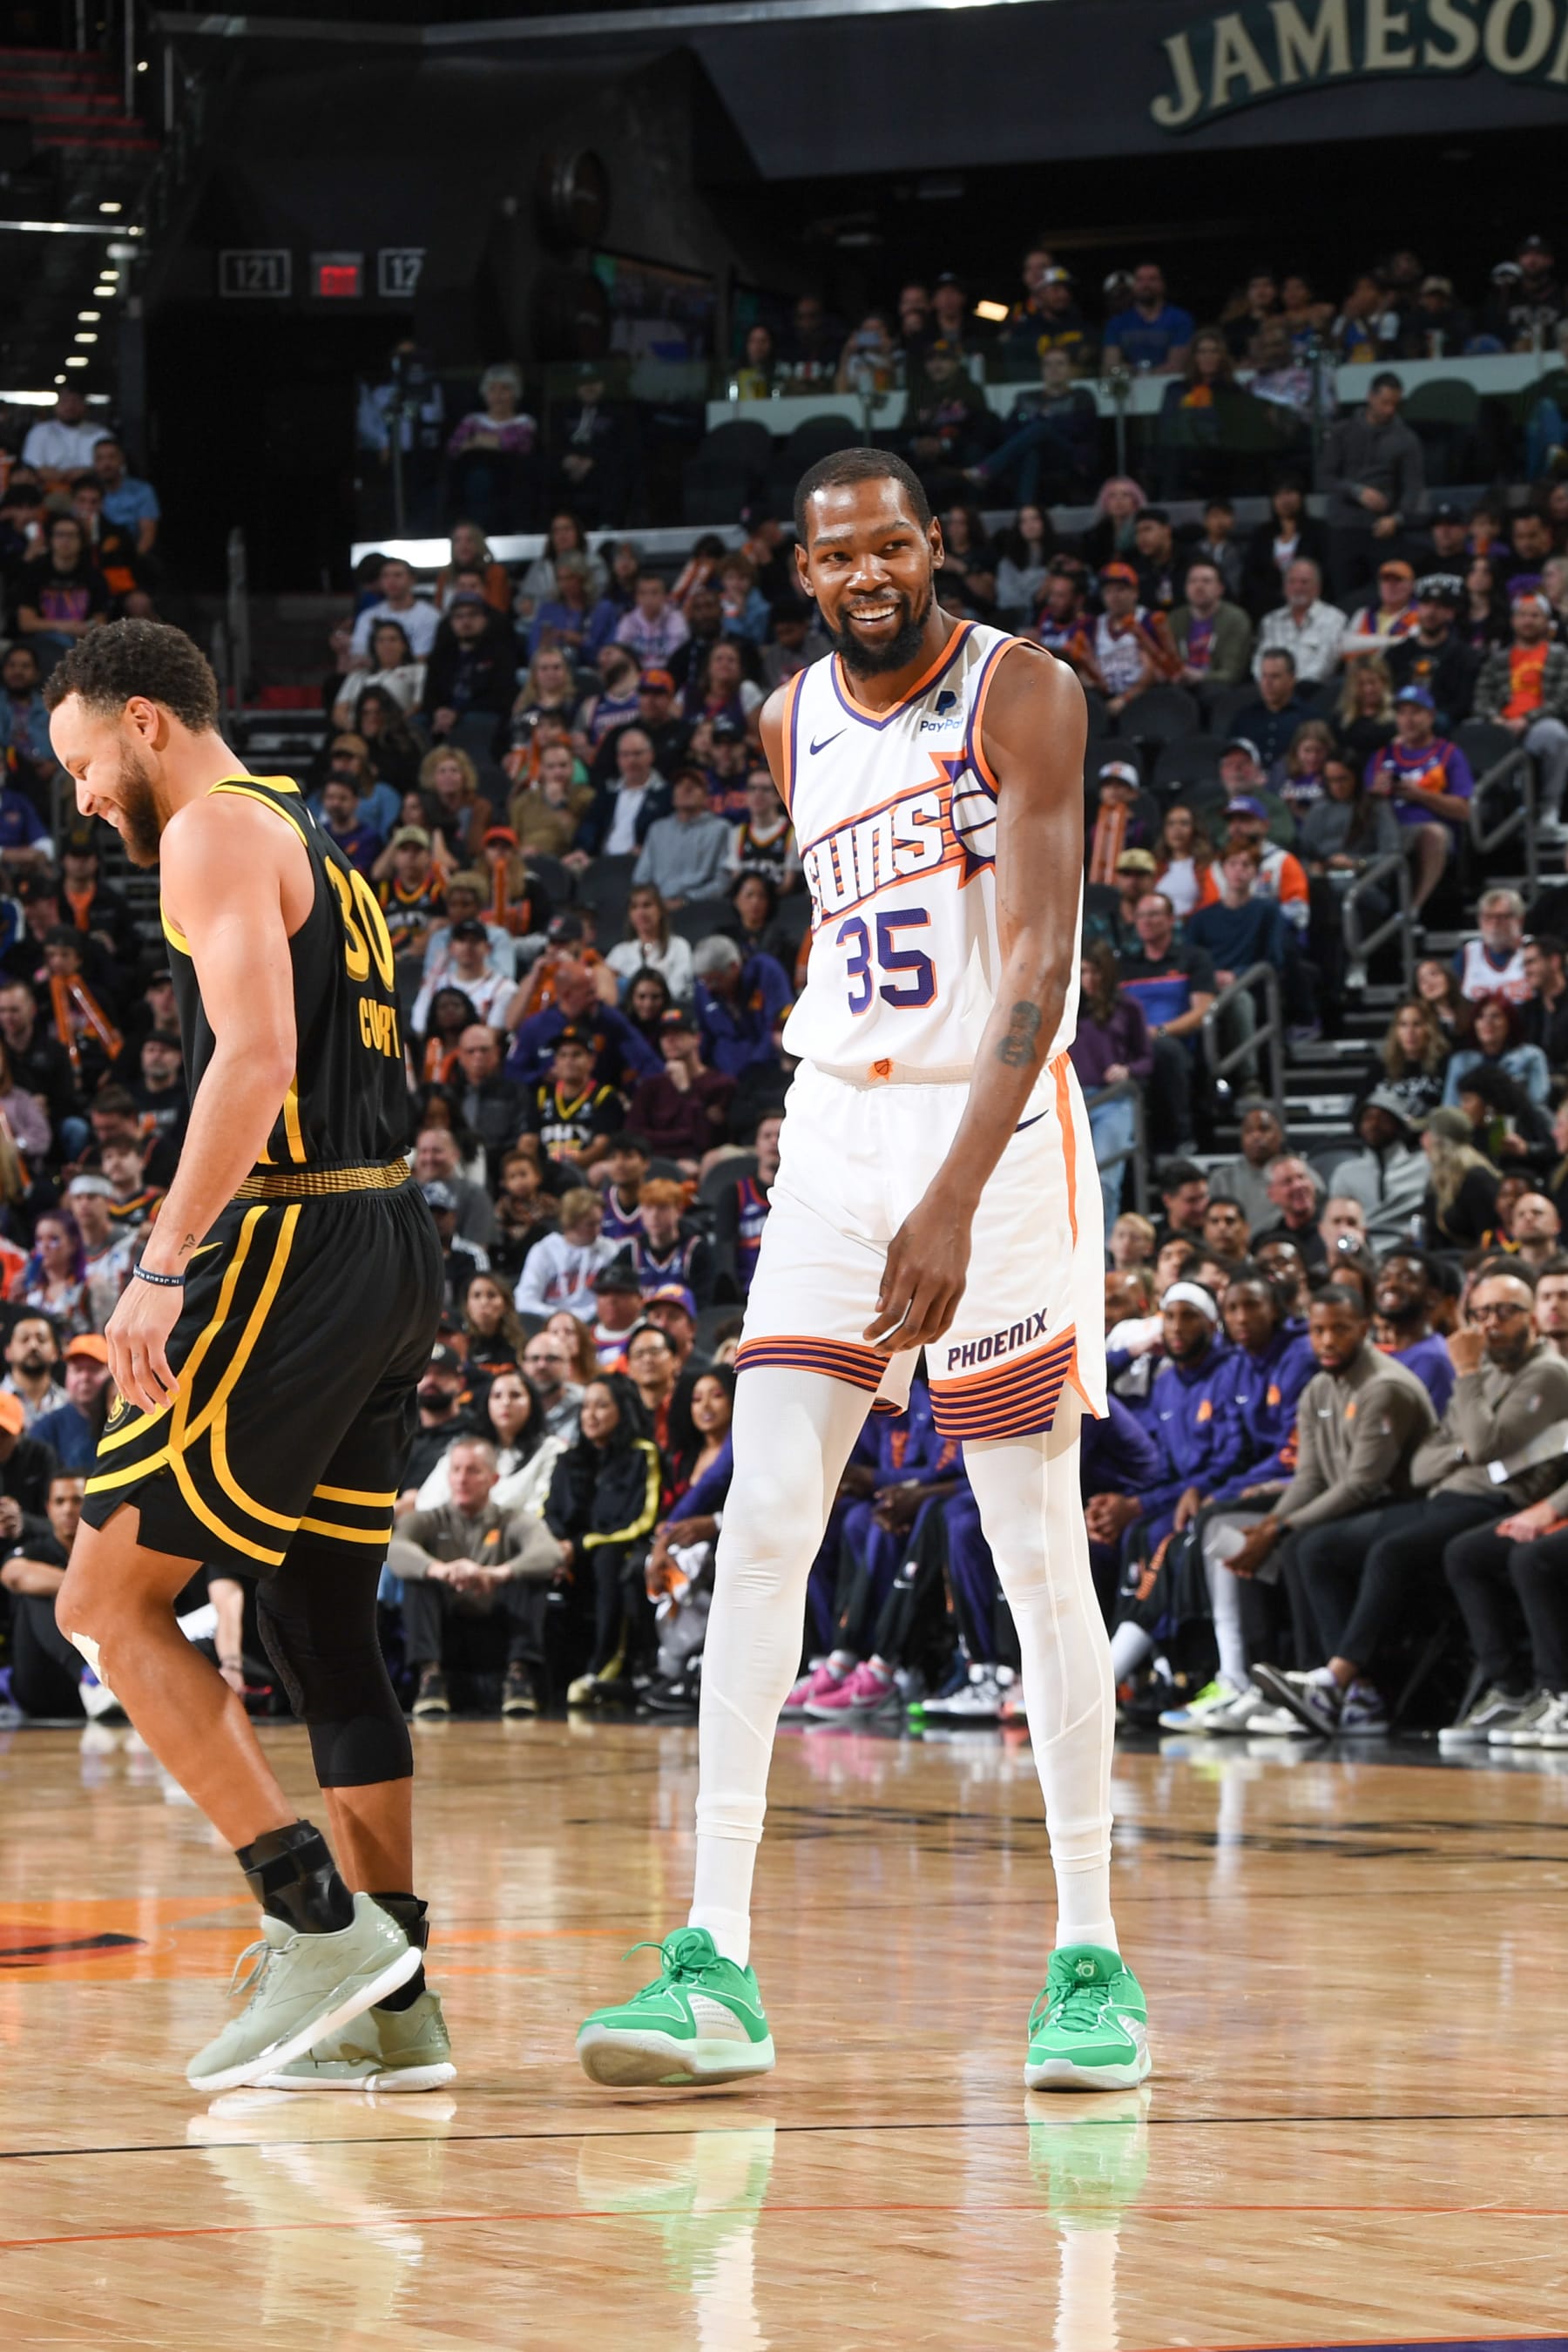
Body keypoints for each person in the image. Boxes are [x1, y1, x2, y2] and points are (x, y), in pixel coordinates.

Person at [574, 447, 1144, 2098]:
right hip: (834, 1125)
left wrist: (955, 1191)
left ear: (933, 548)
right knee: (762, 1519)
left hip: (994, 1130)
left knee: (1034, 1543)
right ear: (802, 570)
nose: (868, 570)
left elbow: (1041, 958)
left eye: (894, 542)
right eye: (839, 553)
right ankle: (716, 1965)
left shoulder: (1023, 695)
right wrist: (845, 1144)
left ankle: (1090, 1961)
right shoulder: (784, 720)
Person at [42, 619, 448, 2095]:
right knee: (322, 1629)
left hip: (297, 1246)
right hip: (395, 1241)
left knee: (105, 1597)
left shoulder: (208, 831)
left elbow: (255, 1061)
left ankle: (314, 1924)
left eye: (84, 765)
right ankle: (401, 2005)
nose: (82, 799)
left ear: (143, 722)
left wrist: (160, 1263)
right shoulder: (308, 834)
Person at [1257, 1274, 1568, 1739]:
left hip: (1494, 1500)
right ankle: (1326, 1687)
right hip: (1443, 1494)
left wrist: (1464, 1380)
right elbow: (1424, 1464)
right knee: (1311, 1547)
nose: (1490, 1325)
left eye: (1504, 1312)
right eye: (1481, 1313)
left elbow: (1483, 1445)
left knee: (1400, 1551)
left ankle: (1344, 1680)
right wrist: (1463, 1446)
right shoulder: (1484, 1370)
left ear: (1532, 1319)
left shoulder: (1546, 1373)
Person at [389, 1436, 562, 1720]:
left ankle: (519, 1677)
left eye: (473, 1470)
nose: (462, 1479)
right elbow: (396, 1548)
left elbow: (549, 1551)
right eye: (456, 1470)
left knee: (530, 1576)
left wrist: (498, 1574)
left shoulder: (511, 1518)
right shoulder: (428, 1519)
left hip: (498, 1620)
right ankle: (430, 1678)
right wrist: (440, 1570)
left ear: (493, 1479)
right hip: (446, 1624)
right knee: (418, 1579)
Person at [1321, 370, 1425, 597]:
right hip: (1344, 525)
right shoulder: (1342, 432)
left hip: (1382, 528)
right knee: (1344, 593)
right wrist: (1357, 491)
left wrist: (1396, 518)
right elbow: (1325, 477)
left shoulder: (1406, 439)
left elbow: (1413, 487)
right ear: (1370, 397)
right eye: (1385, 402)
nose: (1390, 409)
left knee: (1384, 593)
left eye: (1395, 404)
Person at [1471, 590, 1568, 830]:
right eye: (1523, 615)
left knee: (1555, 734)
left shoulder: (1560, 655)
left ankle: (1549, 808)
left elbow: (1562, 699)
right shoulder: (1498, 659)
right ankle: (1483, 814)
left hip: (1539, 724)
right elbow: (1481, 697)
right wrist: (1495, 718)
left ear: (1547, 622)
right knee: (1468, 731)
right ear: (1514, 621)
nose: (1528, 621)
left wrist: (1526, 719)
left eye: (1535, 616)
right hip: (1501, 725)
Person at [1332, 1089, 1429, 1247]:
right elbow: (1338, 1222)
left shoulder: (1424, 1166)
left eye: (1383, 1118)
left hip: (1411, 1248)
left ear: (1398, 1125)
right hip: (1359, 1248)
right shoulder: (1345, 1173)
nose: (1374, 1125)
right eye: (1368, 1118)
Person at [1252, 558, 1344, 687]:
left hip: (1313, 692)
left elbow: (1325, 665)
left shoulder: (1333, 618)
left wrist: (1289, 686)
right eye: (1292, 582)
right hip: (1272, 692)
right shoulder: (1270, 621)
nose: (1297, 587)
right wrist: (1269, 683)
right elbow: (1259, 663)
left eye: (1304, 582)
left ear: (1317, 588)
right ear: (1284, 588)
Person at [30, 1331, 113, 1471]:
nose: (85, 1377)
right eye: (77, 1369)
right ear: (67, 1374)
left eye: (94, 1369)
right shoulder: (46, 1429)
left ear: (113, 1373)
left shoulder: (127, 1421)